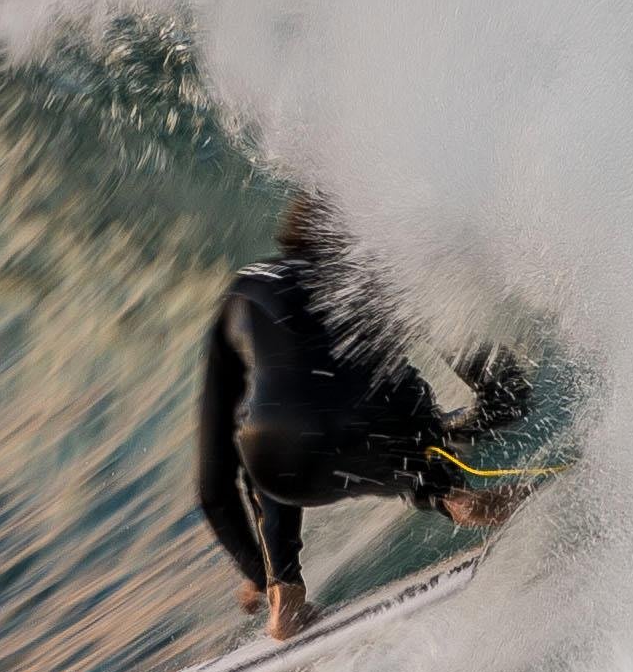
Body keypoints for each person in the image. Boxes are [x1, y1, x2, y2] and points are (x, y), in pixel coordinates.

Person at [196, 194, 532, 640]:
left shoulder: (241, 292)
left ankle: (283, 593)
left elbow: (212, 485)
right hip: (382, 433)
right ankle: (454, 495)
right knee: (388, 400)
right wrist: (453, 433)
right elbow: (503, 390)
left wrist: (255, 571)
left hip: (280, 465)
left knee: (265, 423)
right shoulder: (370, 276)